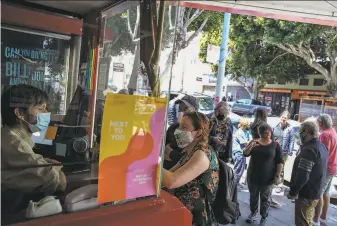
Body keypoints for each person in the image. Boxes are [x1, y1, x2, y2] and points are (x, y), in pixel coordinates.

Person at [1, 84, 67, 213]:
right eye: (40, 109)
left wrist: (42, 163)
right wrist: (55, 168)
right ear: (20, 113)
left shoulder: (9, 136)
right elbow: (57, 181)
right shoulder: (14, 143)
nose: (46, 113)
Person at [162, 111, 219, 226]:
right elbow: (169, 174)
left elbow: (172, 181)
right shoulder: (190, 152)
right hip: (182, 213)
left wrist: (150, 163)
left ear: (198, 132)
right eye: (179, 126)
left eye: (184, 127)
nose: (178, 130)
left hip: (196, 218)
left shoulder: (202, 154)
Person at [287, 120, 328, 226]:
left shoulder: (309, 150)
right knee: (307, 220)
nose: (299, 134)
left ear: (307, 132)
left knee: (302, 222)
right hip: (315, 192)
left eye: (301, 132)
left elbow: (303, 176)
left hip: (306, 194)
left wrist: (293, 192)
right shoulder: (321, 147)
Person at [243, 123, 284, 226]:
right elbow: (245, 153)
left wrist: (277, 175)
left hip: (267, 178)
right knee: (253, 197)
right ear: (260, 133)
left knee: (265, 199)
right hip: (253, 176)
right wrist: (251, 145)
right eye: (265, 132)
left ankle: (263, 217)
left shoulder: (275, 145)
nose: (268, 134)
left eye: (269, 131)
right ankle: (253, 213)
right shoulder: (254, 142)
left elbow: (280, 161)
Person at [250, 109, 282, 208]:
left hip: (255, 153)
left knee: (254, 187)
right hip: (267, 152)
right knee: (266, 183)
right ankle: (268, 200)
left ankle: (254, 210)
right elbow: (269, 141)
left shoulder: (253, 125)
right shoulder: (264, 126)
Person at [313, 114, 337, 226]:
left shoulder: (324, 135)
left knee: (319, 193)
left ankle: (316, 220)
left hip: (326, 167)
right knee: (326, 192)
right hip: (333, 167)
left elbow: (322, 153)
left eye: (318, 122)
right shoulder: (332, 131)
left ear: (321, 123)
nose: (317, 124)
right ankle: (323, 217)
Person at [164, 105, 197, 170]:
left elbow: (187, 156)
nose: (182, 110)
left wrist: (171, 153)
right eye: (182, 108)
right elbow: (165, 147)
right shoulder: (173, 127)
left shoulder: (195, 133)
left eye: (186, 107)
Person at [232, 118, 252, 186]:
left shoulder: (245, 132)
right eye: (248, 124)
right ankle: (234, 183)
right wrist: (250, 142)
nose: (249, 126)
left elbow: (250, 139)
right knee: (238, 168)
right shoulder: (239, 132)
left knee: (241, 168)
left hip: (242, 153)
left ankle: (236, 182)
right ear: (245, 125)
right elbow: (246, 143)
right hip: (239, 152)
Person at [273, 111, 291, 184]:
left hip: (284, 152)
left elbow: (293, 139)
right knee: (273, 165)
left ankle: (279, 184)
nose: (283, 119)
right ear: (280, 117)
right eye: (282, 117)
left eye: (285, 118)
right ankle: (273, 181)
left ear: (288, 119)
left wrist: (289, 151)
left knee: (281, 167)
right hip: (275, 150)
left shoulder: (290, 128)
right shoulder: (275, 127)